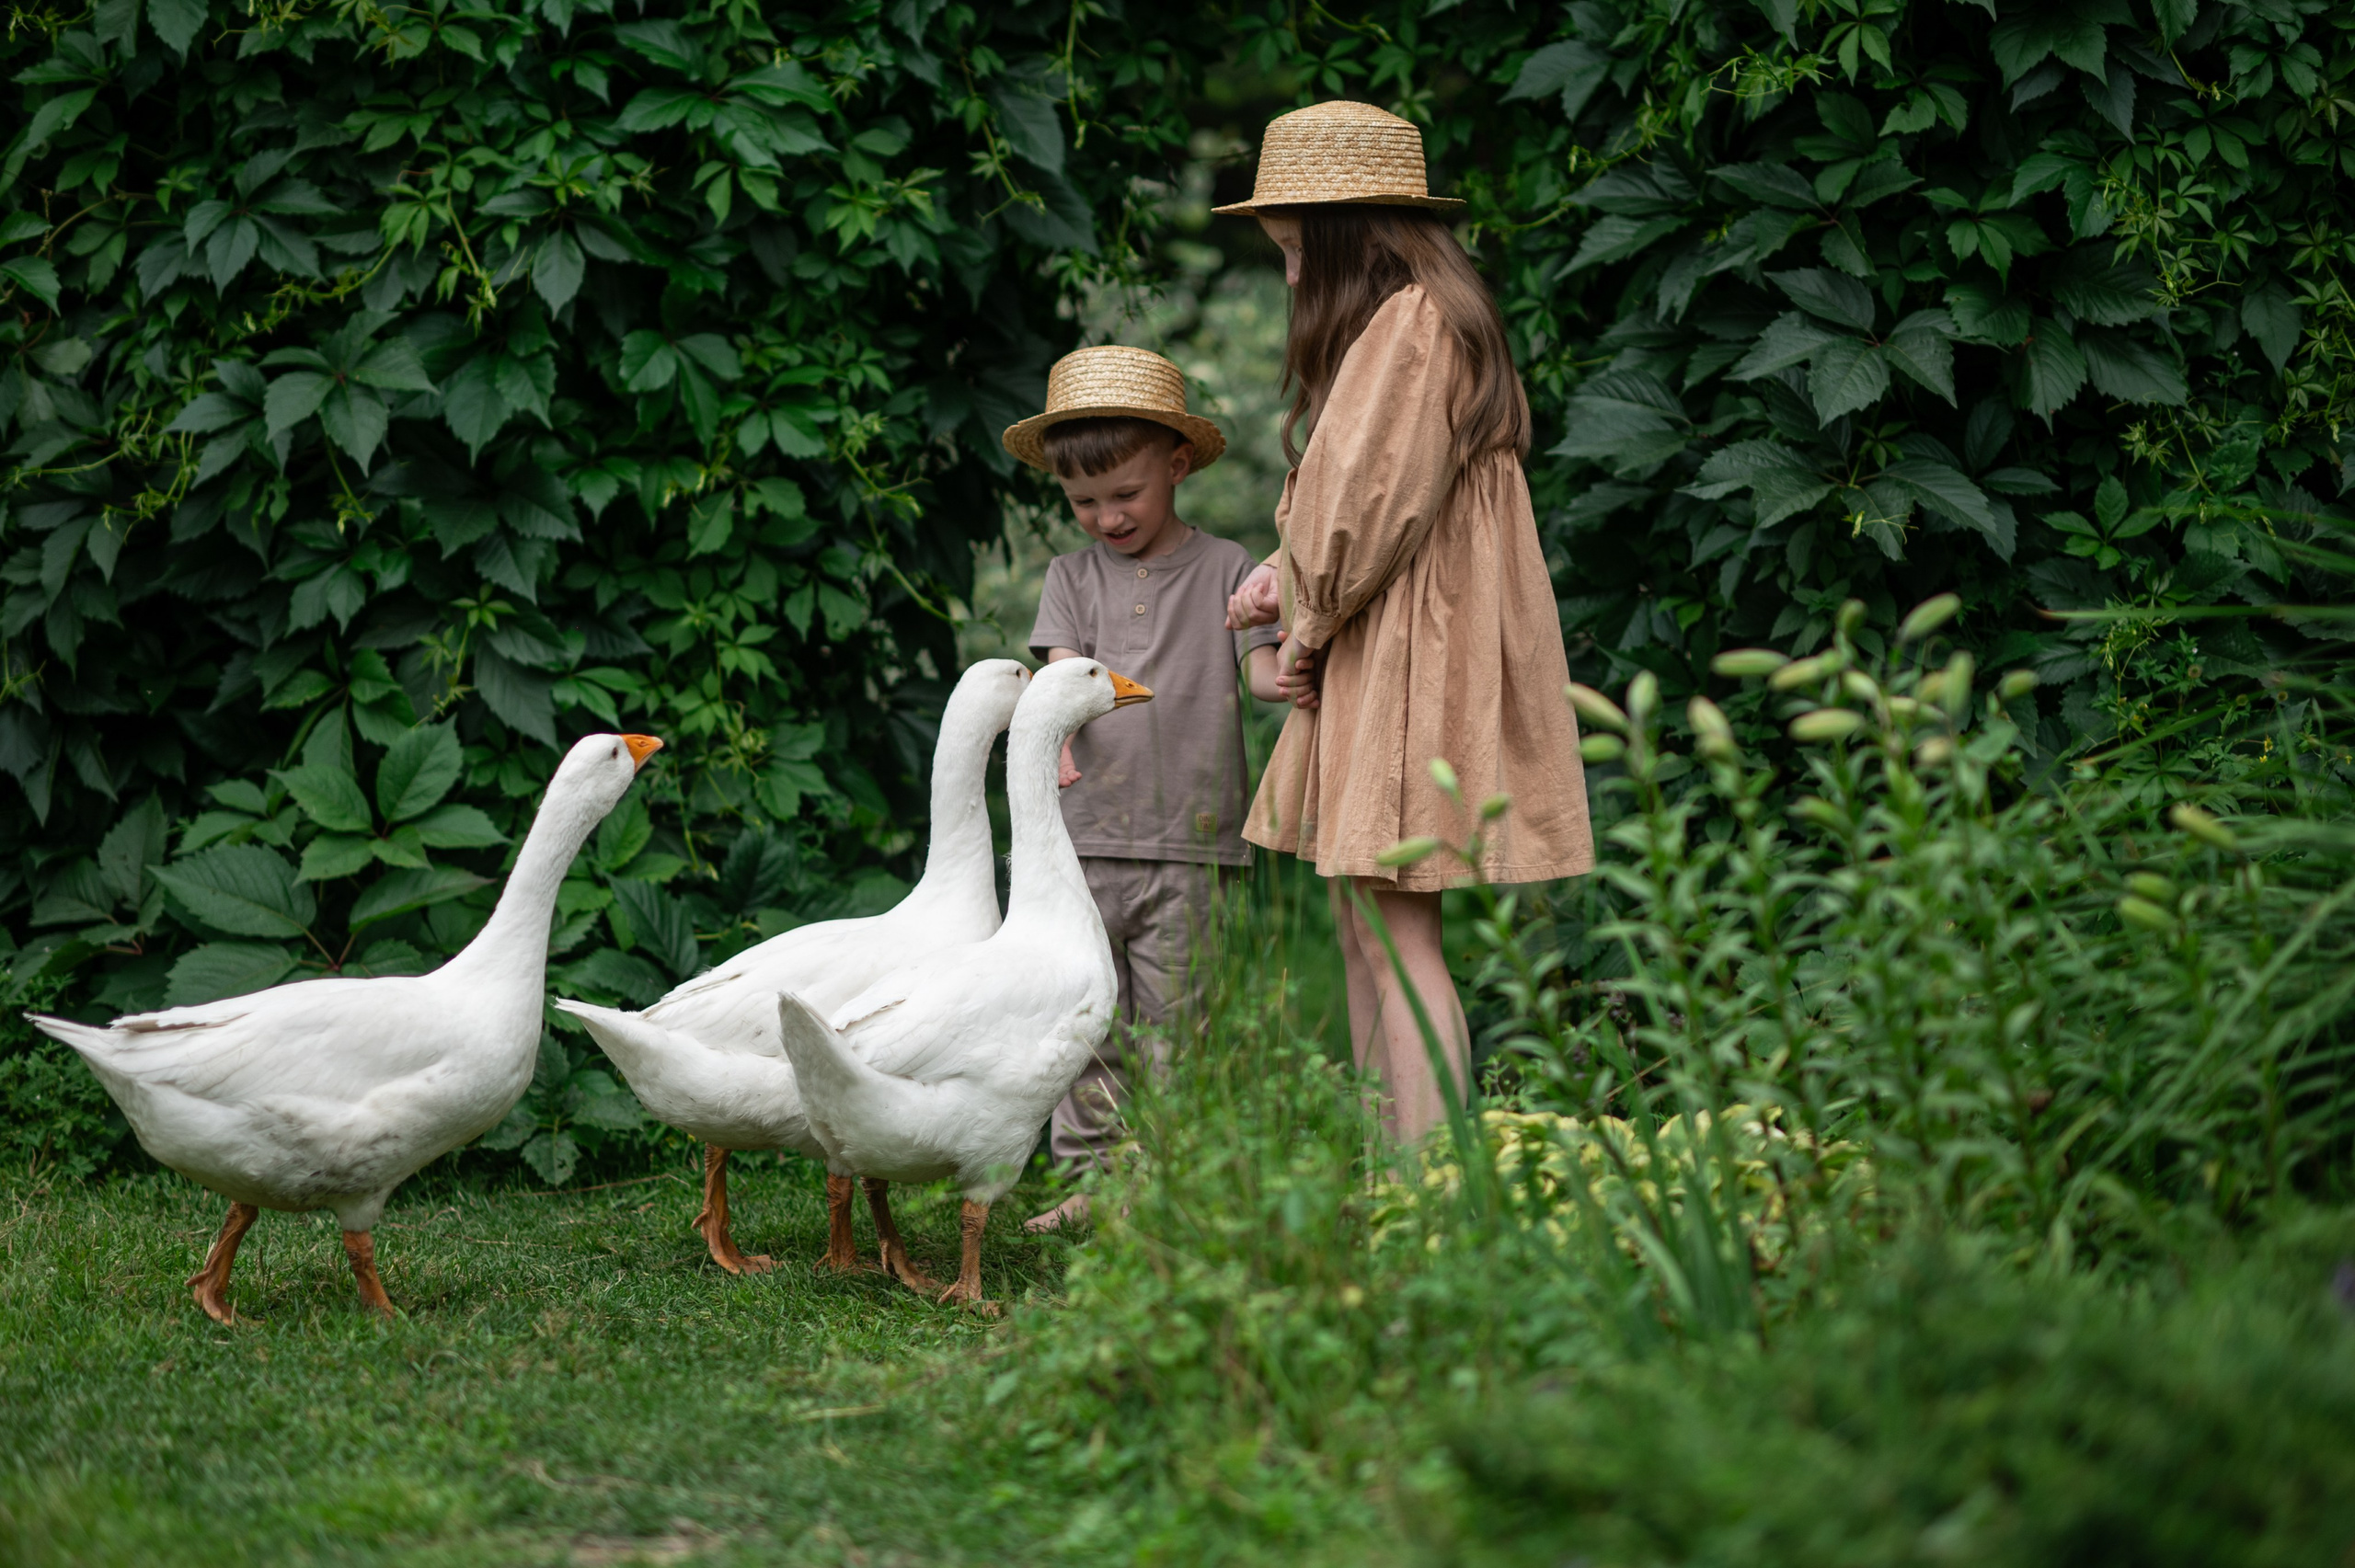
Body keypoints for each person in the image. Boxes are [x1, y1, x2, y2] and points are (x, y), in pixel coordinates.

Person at [1216, 100, 1594, 1142]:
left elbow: (1360, 517)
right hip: (1395, 637)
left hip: (1413, 654)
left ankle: (1428, 1200)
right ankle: (1399, 1182)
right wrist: (1283, 578)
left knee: (1394, 932)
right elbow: (1365, 500)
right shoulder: (1413, 326)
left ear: (1348, 234)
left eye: (1296, 250)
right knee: (1363, 923)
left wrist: (1303, 611)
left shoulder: (1413, 324)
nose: (1290, 277)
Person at [1003, 347, 1285, 1230]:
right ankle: (1089, 1182)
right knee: (1087, 1019)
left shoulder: (1230, 567)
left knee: (1181, 1022)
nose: (1105, 516)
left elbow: (1266, 675)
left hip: (1196, 836)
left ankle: (1169, 1180)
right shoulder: (1069, 578)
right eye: (1083, 501)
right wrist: (1045, 749)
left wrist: (1300, 663)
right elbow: (1057, 685)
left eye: (1124, 492)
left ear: (1176, 464)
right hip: (1083, 844)